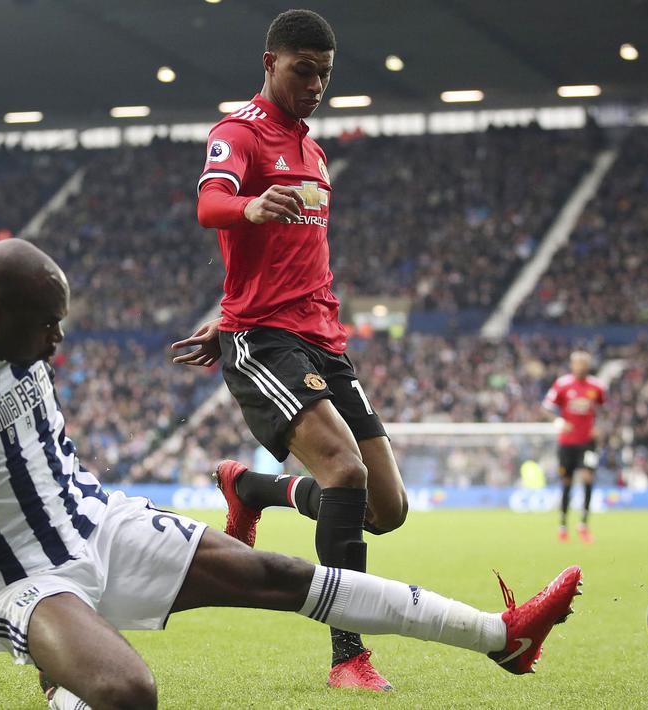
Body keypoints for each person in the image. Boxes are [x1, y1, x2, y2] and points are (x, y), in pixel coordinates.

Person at [0, 240, 583, 709]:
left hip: (93, 518)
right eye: (46, 327)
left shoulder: (13, 328)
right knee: (127, 693)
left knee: (278, 573)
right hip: (12, 577)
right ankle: (64, 671)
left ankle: (501, 637)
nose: (56, 341)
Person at [172, 9, 408, 690]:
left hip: (323, 339)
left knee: (385, 509)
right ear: (269, 62)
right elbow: (211, 204)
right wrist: (246, 209)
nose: (314, 85)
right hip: (266, 342)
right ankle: (348, 656)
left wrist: (230, 305)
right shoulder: (237, 134)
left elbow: (289, 258)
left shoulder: (312, 152)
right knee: (345, 474)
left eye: (324, 75)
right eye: (303, 70)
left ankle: (251, 488)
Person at [542, 351, 605, 543]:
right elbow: (545, 408)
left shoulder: (597, 386)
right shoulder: (562, 385)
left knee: (587, 477)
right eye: (577, 363)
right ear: (572, 365)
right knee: (567, 482)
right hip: (567, 443)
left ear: (588, 365)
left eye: (583, 363)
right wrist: (559, 421)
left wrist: (599, 427)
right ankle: (563, 525)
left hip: (588, 442)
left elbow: (604, 410)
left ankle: (583, 525)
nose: (580, 367)